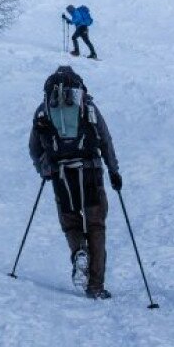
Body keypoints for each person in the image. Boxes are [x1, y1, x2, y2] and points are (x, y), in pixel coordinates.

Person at [28, 65, 122, 299]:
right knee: (96, 226)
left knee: (71, 223)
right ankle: (96, 286)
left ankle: (79, 251)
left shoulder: (44, 109)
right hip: (90, 171)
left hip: (61, 174)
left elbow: (34, 146)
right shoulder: (88, 106)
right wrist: (114, 171)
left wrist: (44, 169)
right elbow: (105, 139)